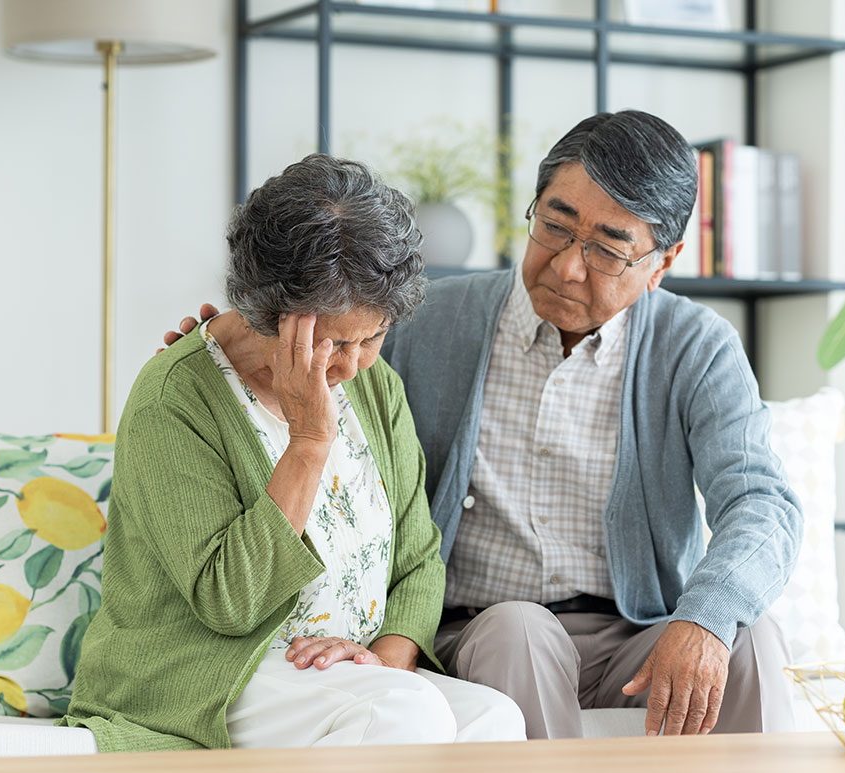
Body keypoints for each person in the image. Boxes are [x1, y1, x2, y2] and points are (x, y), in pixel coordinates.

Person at [165, 109, 803, 740]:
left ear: (662, 263)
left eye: (609, 250)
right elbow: (323, 371)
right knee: (517, 628)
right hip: (481, 628)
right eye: (555, 227)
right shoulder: (431, 322)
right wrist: (231, 351)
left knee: (752, 638)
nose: (568, 267)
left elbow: (761, 504)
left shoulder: (698, 347)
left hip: (634, 633)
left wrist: (707, 618)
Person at [60, 154, 525, 752]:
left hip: (348, 677)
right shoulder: (175, 399)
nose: (355, 364)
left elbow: (418, 558)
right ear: (267, 311)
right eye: (334, 341)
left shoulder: (375, 385)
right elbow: (229, 602)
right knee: (402, 715)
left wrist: (384, 658)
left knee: (495, 720)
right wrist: (308, 444)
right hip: (207, 674)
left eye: (375, 336)